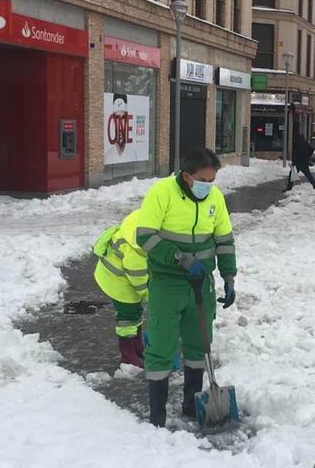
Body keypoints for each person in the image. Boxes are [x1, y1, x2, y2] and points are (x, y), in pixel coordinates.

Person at [136, 148, 237, 427]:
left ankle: (192, 405)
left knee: (198, 344)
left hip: (201, 284)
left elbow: (224, 240)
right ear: (187, 176)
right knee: (161, 345)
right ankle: (157, 414)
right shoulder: (162, 193)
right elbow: (145, 236)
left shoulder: (215, 198)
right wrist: (179, 257)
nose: (209, 186)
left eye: (212, 180)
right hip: (167, 283)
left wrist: (229, 276)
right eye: (204, 180)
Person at [92, 209, 149, 368]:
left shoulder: (139, 226)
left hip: (119, 274)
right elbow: (139, 280)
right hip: (116, 280)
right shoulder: (136, 250)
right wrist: (152, 297)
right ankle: (128, 355)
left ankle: (137, 347)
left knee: (135, 311)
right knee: (128, 316)